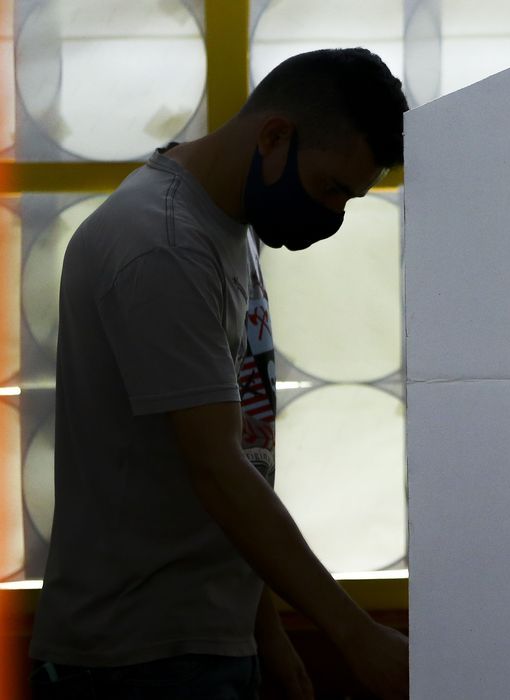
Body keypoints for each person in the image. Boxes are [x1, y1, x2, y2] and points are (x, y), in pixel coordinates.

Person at [28, 48, 409, 699]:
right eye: (329, 188)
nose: (332, 216)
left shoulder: (226, 227)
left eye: (349, 198)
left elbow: (232, 459)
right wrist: (355, 635)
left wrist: (264, 632)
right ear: (274, 136)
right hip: (136, 662)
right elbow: (217, 469)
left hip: (200, 643)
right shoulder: (164, 245)